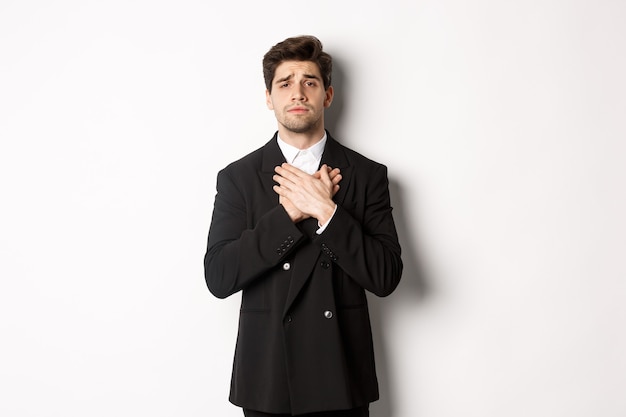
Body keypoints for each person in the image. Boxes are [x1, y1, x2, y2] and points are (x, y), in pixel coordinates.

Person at [204, 35, 403, 417]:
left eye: (309, 82)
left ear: (327, 96)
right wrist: (287, 215)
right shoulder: (238, 178)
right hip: (268, 381)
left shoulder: (366, 175)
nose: (298, 92)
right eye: (285, 83)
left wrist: (327, 213)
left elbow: (386, 276)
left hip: (341, 378)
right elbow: (219, 277)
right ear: (269, 97)